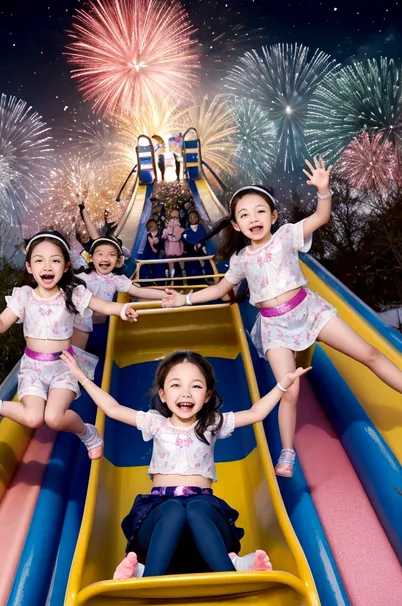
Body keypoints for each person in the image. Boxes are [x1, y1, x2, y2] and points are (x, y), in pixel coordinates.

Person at [161, 158, 402, 478]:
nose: (253, 218)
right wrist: (184, 299)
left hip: (307, 309)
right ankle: (287, 451)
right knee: (290, 390)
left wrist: (324, 190)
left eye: (260, 211)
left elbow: (321, 216)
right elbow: (220, 289)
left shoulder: (287, 235)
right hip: (274, 326)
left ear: (273, 216)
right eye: (244, 215)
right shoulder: (241, 259)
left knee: (369, 353)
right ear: (235, 225)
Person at [60, 349, 310, 578]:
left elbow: (256, 413)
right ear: (163, 394)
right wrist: (81, 377)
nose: (186, 393)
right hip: (159, 520)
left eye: (196, 386)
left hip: (204, 521)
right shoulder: (155, 423)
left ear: (207, 395)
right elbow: (112, 409)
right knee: (173, 510)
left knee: (196, 508)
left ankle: (231, 573)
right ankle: (149, 580)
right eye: (176, 385)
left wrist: (282, 385)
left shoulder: (211, 423)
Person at [0, 231, 138, 459]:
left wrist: (122, 310)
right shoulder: (24, 296)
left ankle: (88, 433)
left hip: (64, 366)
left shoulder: (72, 294)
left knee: (54, 418)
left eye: (55, 260)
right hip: (33, 367)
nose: (47, 266)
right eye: (39, 260)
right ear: (30, 267)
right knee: (33, 418)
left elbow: (101, 305)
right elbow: (1, 323)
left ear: (66, 266)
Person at [71, 236, 166, 349]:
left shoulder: (116, 280)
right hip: (79, 328)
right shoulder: (81, 277)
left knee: (101, 355)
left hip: (102, 328)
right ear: (91, 258)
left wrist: (167, 296)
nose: (105, 258)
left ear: (118, 261)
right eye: (100, 254)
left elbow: (139, 291)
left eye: (111, 255)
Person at [162, 209, 185, 279]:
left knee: (182, 267)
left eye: (176, 217)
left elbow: (182, 238)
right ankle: (171, 282)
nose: (174, 219)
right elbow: (164, 237)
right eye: (172, 217)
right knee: (171, 267)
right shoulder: (165, 230)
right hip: (169, 252)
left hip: (179, 252)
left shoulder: (182, 229)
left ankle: (184, 281)